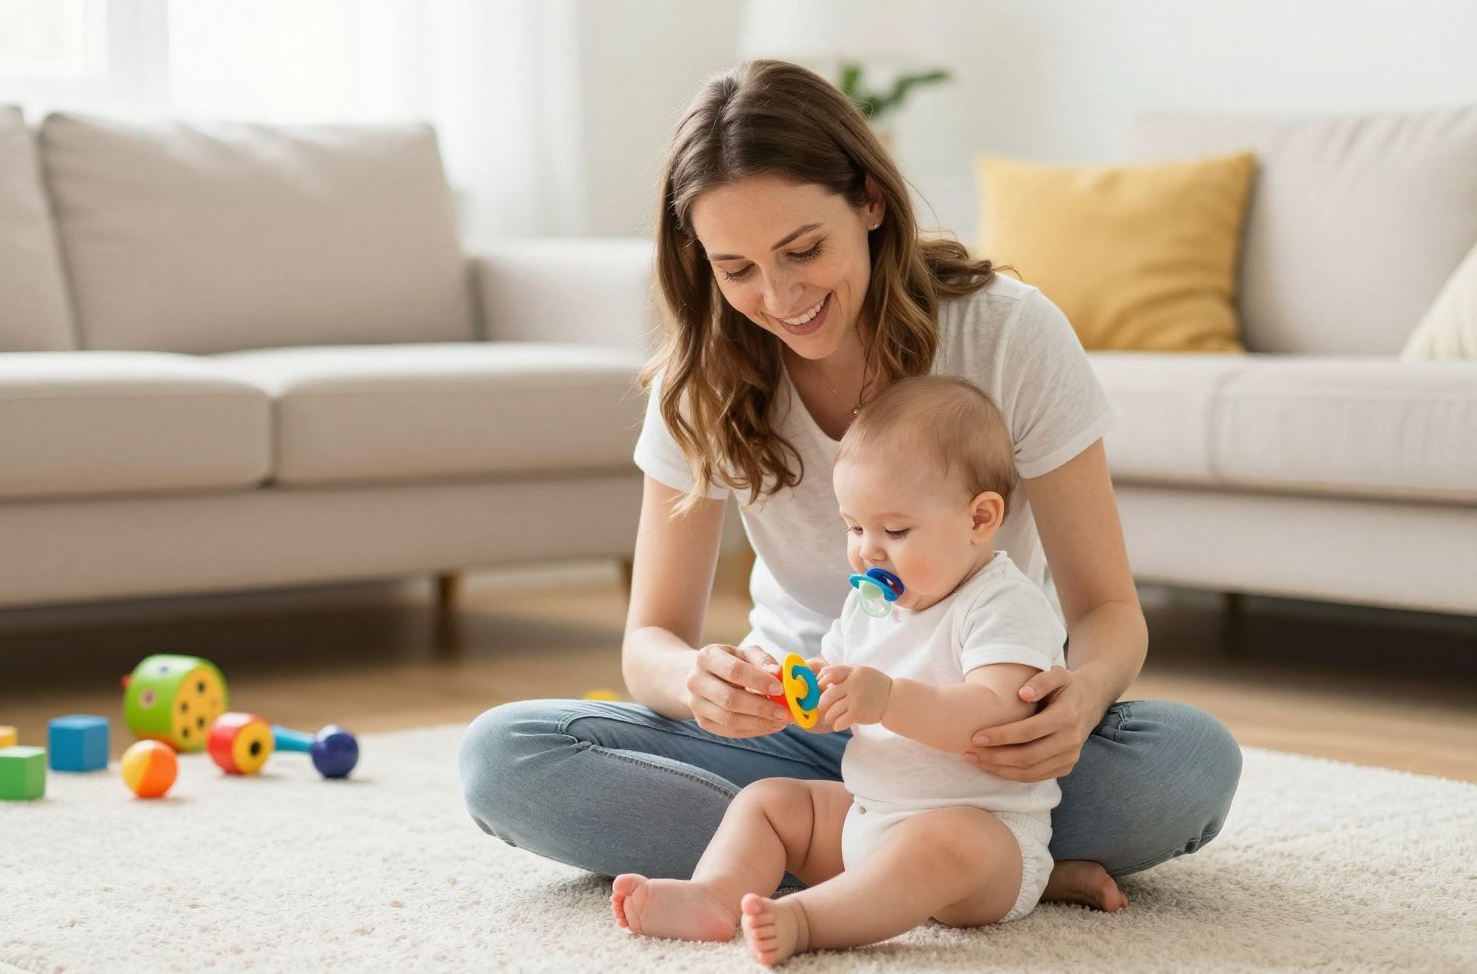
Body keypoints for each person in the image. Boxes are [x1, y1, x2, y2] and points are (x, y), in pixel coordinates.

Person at [459, 59, 1242, 913]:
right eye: (737, 268)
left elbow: (1107, 614)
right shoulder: (705, 380)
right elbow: (651, 637)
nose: (780, 296)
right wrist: (699, 684)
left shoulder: (1009, 334)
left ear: (870, 201)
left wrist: (1078, 699)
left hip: (972, 744)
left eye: (803, 250)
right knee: (509, 758)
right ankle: (965, 871)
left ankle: (877, 856)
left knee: (1190, 762)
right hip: (796, 744)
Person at [613, 377, 1069, 965]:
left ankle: (806, 919)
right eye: (854, 528)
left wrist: (886, 701)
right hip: (868, 815)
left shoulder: (1003, 604)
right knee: (770, 801)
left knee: (944, 841)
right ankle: (714, 896)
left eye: (895, 531)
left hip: (986, 840)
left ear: (979, 519)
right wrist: (793, 687)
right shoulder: (869, 605)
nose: (868, 553)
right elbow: (836, 676)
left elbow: (997, 713)